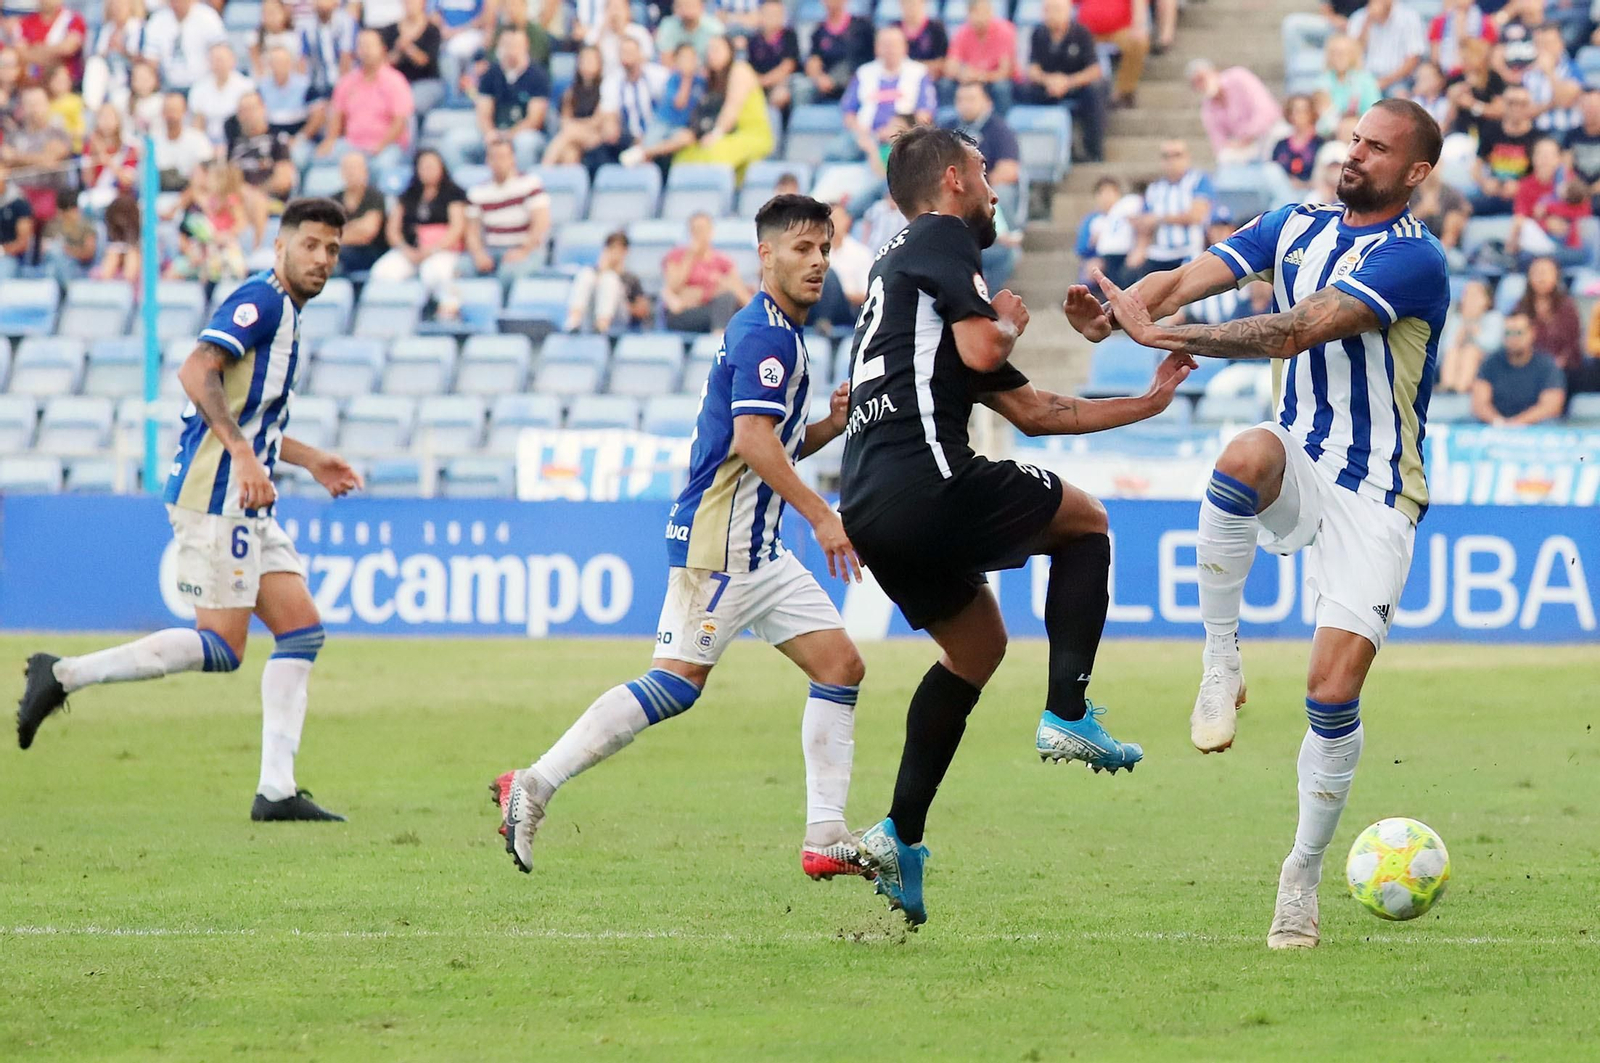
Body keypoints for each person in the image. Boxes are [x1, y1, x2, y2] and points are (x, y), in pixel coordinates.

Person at [1072, 99, 1450, 950]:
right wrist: (1113, 311)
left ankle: (1302, 875)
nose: (1354, 154)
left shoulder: (1415, 262)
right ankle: (1220, 662)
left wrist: (1164, 331)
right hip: (1300, 455)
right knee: (1242, 454)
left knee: (1330, 693)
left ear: (1416, 174)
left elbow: (1294, 329)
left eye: (1377, 148)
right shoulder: (1292, 221)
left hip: (1380, 493)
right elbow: (1174, 282)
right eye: (1354, 138)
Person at [839, 127, 1193, 927]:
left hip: (870, 503)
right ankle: (1067, 709)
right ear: (956, 180)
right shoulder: (940, 238)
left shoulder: (906, 284)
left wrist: (1147, 400)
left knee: (977, 648)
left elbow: (1036, 411)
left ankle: (899, 833)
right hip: (925, 477)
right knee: (1088, 522)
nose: (997, 190)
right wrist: (1005, 319)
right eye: (989, 174)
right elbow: (983, 339)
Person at [497, 195, 874, 886]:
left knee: (840, 666)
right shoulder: (764, 333)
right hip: (722, 543)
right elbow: (751, 440)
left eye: (824, 248)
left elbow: (773, 440)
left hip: (758, 545)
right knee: (675, 685)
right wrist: (823, 513)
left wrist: (825, 427)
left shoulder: (779, 332)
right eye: (801, 249)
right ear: (766, 256)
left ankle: (825, 834)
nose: (818, 261)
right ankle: (534, 783)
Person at [16, 198, 363, 824]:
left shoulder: (286, 312)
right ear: (280, 247)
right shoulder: (259, 304)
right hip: (218, 496)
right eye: (310, 244)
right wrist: (244, 455)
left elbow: (251, 417)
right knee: (223, 647)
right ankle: (62, 674)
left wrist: (307, 459)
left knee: (302, 631)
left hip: (244, 494)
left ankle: (277, 792)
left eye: (332, 249)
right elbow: (196, 369)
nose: (322, 259)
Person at [667, 34, 774, 178]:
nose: (712, 54)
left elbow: (732, 109)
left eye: (716, 49)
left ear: (729, 51)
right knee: (685, 155)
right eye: (709, 50)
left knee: (715, 152)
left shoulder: (740, 70)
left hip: (751, 134)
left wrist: (716, 134)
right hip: (729, 134)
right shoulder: (713, 79)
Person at [370, 148, 468, 299]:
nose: (428, 171)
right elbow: (393, 231)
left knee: (433, 273)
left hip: (442, 250)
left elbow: (457, 228)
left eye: (432, 166)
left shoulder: (453, 194)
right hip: (410, 250)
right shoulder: (407, 195)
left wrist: (432, 249)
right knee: (383, 272)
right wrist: (406, 250)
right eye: (424, 167)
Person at [319, 28, 414, 168]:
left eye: (370, 46)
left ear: (383, 49)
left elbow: (400, 121)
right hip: (352, 145)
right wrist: (330, 140)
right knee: (321, 160)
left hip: (387, 146)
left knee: (379, 166)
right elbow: (337, 114)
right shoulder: (347, 81)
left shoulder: (395, 81)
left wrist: (380, 146)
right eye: (361, 46)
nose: (366, 50)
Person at [1022, 0, 1104, 162]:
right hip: (1049, 85)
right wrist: (1048, 80)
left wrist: (1068, 82)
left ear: (1068, 11)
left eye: (1057, 10)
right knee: (1023, 91)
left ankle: (1093, 151)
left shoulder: (1082, 33)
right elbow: (1032, 68)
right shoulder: (1038, 33)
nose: (1053, 15)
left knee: (1095, 92)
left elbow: (1094, 70)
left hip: (1077, 85)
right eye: (1048, 10)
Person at [840, 26, 935, 163]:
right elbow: (849, 112)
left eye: (894, 45)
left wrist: (899, 132)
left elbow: (925, 114)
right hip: (865, 138)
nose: (890, 50)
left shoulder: (919, 73)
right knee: (836, 151)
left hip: (904, 137)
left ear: (904, 47)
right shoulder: (864, 73)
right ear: (876, 48)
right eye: (885, 45)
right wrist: (861, 133)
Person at [465, 136, 552, 282]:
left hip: (526, 249)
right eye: (494, 157)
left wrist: (524, 249)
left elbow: (541, 223)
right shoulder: (477, 192)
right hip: (492, 250)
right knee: (462, 269)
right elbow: (471, 232)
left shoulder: (530, 184)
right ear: (487, 160)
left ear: (513, 159)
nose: (498, 162)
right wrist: (479, 254)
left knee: (509, 274)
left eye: (503, 157)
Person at [1129, 140, 1213, 279]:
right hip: (1159, 253)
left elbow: (1196, 215)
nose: (1172, 161)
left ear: (1187, 158)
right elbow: (1145, 223)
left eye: (1177, 155)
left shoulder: (1198, 180)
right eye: (1166, 156)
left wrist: (1159, 218)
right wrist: (1139, 248)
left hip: (1189, 252)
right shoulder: (1155, 188)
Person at [662, 210, 751, 331]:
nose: (700, 234)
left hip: (716, 309)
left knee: (726, 299)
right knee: (722, 305)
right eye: (695, 230)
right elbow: (673, 288)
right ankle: (719, 336)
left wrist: (700, 293)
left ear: (711, 231)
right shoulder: (676, 257)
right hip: (686, 314)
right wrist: (689, 258)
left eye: (703, 229)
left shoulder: (723, 261)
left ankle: (718, 334)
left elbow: (741, 294)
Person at [1507, 140, 1591, 268]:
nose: (1545, 159)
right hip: (1539, 241)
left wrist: (1553, 211)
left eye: (1549, 155)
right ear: (1533, 158)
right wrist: (1546, 224)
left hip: (1568, 244)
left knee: (1581, 253)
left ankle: (1544, 260)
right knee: (1523, 239)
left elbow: (1585, 211)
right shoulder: (1525, 185)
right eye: (1540, 154)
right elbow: (1521, 218)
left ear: (1559, 159)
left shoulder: (1570, 181)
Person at [471, 23, 549, 160]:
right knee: (456, 143)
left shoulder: (538, 75)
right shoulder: (491, 73)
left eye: (516, 45)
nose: (511, 50)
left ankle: (521, 180)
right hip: (495, 131)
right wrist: (491, 133)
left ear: (526, 46)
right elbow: (483, 112)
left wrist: (508, 136)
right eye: (507, 45)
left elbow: (534, 120)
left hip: (523, 133)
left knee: (526, 143)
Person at [588, 34, 667, 170]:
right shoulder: (612, 81)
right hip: (627, 137)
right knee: (596, 149)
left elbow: (668, 108)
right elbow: (609, 113)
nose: (627, 56)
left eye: (631, 52)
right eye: (623, 52)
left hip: (656, 134)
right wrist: (610, 126)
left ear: (640, 54)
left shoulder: (659, 76)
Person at [1472, 312, 1567, 424]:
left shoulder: (1547, 365)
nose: (1513, 338)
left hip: (1535, 429)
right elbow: (1480, 404)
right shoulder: (1491, 363)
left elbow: (1552, 406)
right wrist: (1498, 422)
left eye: (1518, 332)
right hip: (1496, 428)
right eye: (1508, 333)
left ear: (1532, 333)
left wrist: (1518, 423)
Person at [1189, 58, 1282, 165]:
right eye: (1195, 84)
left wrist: (1248, 135)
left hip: (1269, 131)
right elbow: (1218, 144)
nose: (1201, 85)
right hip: (1244, 144)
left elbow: (1266, 112)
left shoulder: (1238, 77)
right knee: (1225, 157)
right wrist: (1234, 144)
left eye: (1201, 79)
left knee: (1279, 137)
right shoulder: (1207, 109)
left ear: (1214, 72)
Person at [1470, 84, 1539, 214]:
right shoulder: (1491, 131)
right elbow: (1476, 166)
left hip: (1523, 198)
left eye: (1522, 104)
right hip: (1494, 193)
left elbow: (1544, 175)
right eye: (1511, 103)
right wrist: (1484, 183)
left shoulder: (1538, 137)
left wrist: (1522, 186)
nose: (1516, 108)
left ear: (1529, 107)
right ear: (1504, 104)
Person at [564, 229, 650, 332]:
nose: (615, 253)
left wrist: (622, 302)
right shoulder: (594, 272)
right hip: (591, 316)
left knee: (609, 279)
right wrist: (602, 270)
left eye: (619, 249)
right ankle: (573, 322)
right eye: (611, 248)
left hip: (618, 319)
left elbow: (642, 311)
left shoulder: (631, 278)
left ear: (625, 251)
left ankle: (602, 326)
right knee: (585, 273)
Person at [1513, 256, 1583, 373]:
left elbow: (1573, 343)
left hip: (1562, 369)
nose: (1541, 278)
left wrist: (1557, 365)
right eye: (1537, 273)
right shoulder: (1520, 307)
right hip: (1527, 369)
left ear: (1556, 276)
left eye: (1546, 272)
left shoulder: (1567, 306)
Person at [946, 0, 1017, 114]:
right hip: (971, 80)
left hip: (992, 81)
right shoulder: (962, 32)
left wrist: (980, 76)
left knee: (1002, 87)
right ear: (968, 14)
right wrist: (962, 74)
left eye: (983, 12)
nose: (979, 17)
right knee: (946, 84)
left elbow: (1005, 72)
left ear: (990, 12)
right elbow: (950, 67)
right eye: (975, 12)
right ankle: (949, 123)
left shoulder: (1005, 31)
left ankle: (999, 125)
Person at [949, 80, 1020, 193]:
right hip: (952, 189)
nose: (965, 104)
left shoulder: (1000, 130)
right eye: (960, 100)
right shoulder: (947, 127)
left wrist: (975, 189)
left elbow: (1009, 170)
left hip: (986, 190)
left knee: (1003, 190)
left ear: (988, 102)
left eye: (971, 99)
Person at [226, 92, 297, 204]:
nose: (247, 115)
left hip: (269, 201)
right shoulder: (233, 144)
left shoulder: (277, 140)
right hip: (237, 203)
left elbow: (284, 180)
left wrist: (255, 193)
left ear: (262, 109)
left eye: (251, 109)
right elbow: (226, 177)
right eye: (242, 111)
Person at [1074, 0, 1148, 107]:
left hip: (1119, 31)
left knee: (1138, 43)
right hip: (1086, 33)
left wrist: (1139, 25)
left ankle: (1124, 92)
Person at [542, 43, 606, 165]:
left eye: (591, 60)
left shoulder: (605, 89)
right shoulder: (571, 92)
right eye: (584, 60)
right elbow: (565, 119)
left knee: (568, 133)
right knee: (569, 153)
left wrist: (575, 127)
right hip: (573, 137)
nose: (587, 63)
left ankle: (545, 167)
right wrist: (573, 128)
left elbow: (597, 121)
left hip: (595, 136)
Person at [141, 0, 225, 93]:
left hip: (204, 85)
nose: (177, 4)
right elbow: (151, 60)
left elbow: (220, 53)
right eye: (174, 1)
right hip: (168, 87)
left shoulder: (208, 17)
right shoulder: (157, 20)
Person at [812, 198, 870, 329]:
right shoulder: (815, 252)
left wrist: (842, 294)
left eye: (837, 219)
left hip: (848, 309)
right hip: (816, 302)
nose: (833, 224)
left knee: (829, 275)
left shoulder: (861, 253)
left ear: (847, 221)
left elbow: (866, 295)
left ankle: (824, 322)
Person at [801, 0, 874, 105]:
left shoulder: (863, 26)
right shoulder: (818, 32)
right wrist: (819, 78)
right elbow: (813, 60)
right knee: (802, 87)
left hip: (857, 79)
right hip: (827, 82)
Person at [1346, 0, 1426, 94]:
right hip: (1365, 77)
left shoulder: (1409, 17)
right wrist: (1368, 22)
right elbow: (1352, 54)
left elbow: (1414, 58)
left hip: (1398, 79)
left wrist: (1385, 81)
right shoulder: (1358, 17)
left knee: (1400, 98)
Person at [1438, 278, 1503, 391]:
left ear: (1487, 300)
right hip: (1458, 356)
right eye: (1466, 295)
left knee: (1470, 352)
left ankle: (1461, 388)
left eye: (1475, 295)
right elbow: (1447, 346)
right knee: (1452, 352)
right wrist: (1461, 332)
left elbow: (1493, 345)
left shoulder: (1494, 318)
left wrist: (1475, 332)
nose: (1470, 299)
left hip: (1487, 359)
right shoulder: (1457, 319)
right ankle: (1447, 386)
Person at [383, 0, 445, 115]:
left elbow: (426, 61)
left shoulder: (432, 30)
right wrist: (398, 50)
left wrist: (408, 48)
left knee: (409, 103)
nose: (410, 4)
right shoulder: (390, 30)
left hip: (426, 82)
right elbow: (384, 64)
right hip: (396, 82)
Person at [189, 43, 256, 145]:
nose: (218, 64)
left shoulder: (246, 86)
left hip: (238, 140)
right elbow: (198, 124)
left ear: (233, 60)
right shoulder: (199, 88)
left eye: (221, 59)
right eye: (214, 60)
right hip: (208, 143)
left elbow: (250, 121)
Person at [1317, 36, 1382, 137]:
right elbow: (1324, 121)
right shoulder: (1322, 82)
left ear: (1352, 55)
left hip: (1361, 132)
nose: (1338, 57)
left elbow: (1373, 114)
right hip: (1331, 133)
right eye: (1334, 53)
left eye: (1343, 53)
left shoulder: (1365, 80)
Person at [335, 150, 388, 274]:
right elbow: (325, 234)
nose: (352, 173)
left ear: (366, 171)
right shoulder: (334, 200)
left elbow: (368, 232)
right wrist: (356, 227)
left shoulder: (374, 196)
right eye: (348, 168)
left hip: (369, 252)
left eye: (356, 168)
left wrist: (340, 232)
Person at [152, 90, 217, 190]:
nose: (171, 115)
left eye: (174, 110)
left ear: (184, 111)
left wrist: (179, 204)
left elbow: (204, 175)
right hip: (160, 193)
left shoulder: (198, 139)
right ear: (162, 113)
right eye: (168, 110)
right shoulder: (153, 141)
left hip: (191, 195)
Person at [16, 0, 87, 85]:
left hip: (67, 82)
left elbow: (68, 48)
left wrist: (37, 48)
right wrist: (55, 52)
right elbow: (21, 53)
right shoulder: (27, 22)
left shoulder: (73, 19)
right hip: (35, 81)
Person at [745, 0, 798, 111]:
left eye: (777, 14)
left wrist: (764, 81)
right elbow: (748, 68)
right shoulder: (753, 40)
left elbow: (788, 66)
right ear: (761, 15)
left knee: (781, 95)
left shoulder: (789, 36)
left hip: (781, 83)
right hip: (757, 84)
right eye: (769, 14)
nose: (773, 18)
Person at [40, 187, 96, 287]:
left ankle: (64, 288)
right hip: (53, 265)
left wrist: (67, 251)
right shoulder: (52, 226)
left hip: (77, 266)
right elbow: (44, 250)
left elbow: (89, 253)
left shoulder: (86, 225)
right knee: (52, 263)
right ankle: (62, 289)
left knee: (57, 256)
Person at [587, 0, 653, 79]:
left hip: (631, 79)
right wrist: (603, 30)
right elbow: (588, 61)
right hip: (603, 80)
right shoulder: (596, 33)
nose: (615, 13)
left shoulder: (639, 32)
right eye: (611, 8)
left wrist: (621, 32)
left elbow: (645, 61)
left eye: (618, 8)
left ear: (628, 11)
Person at [260, 45, 315, 139]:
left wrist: (300, 139)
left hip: (299, 138)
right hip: (270, 138)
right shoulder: (261, 88)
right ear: (269, 65)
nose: (279, 66)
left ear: (290, 63)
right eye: (275, 62)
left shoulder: (306, 86)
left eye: (282, 62)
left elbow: (317, 115)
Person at [1272, 94, 1324, 189]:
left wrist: (1303, 185)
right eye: (1294, 111)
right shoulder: (1281, 145)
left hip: (1311, 194)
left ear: (1312, 113)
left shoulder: (1320, 144)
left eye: (1303, 111)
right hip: (1284, 191)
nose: (1298, 115)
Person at [655, 0, 725, 59]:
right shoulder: (668, 25)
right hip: (678, 73)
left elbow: (721, 59)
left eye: (691, 5)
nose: (686, 10)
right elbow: (666, 60)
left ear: (702, 6)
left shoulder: (714, 28)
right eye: (682, 5)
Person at [897, 0, 947, 81]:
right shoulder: (894, 29)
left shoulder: (936, 29)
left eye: (913, 3)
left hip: (930, 77)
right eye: (906, 3)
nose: (910, 7)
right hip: (900, 77)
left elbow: (942, 61)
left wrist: (915, 68)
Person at [1406, 60, 1451, 128]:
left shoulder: (1446, 103)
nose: (1422, 81)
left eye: (1426, 78)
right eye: (1419, 78)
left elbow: (1443, 126)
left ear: (1440, 80)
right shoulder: (1414, 102)